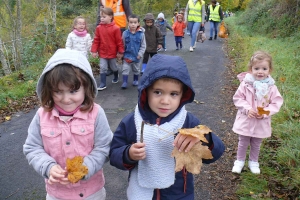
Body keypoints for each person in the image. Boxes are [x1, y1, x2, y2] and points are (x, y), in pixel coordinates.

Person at [109, 54, 225, 199]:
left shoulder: (188, 122)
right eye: (158, 92)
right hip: (143, 193)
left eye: (173, 94)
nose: (165, 101)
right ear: (146, 91)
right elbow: (114, 153)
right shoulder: (132, 122)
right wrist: (128, 154)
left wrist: (203, 138)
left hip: (179, 194)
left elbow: (216, 154)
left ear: (182, 95)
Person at [23, 49, 113, 200]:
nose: (66, 99)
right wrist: (48, 167)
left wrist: (85, 168)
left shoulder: (96, 113)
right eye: (58, 91)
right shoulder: (41, 115)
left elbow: (105, 147)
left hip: (91, 192)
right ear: (49, 90)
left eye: (73, 91)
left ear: (87, 87)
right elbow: (32, 148)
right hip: (57, 194)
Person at [231, 51, 283, 174]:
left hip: (261, 121)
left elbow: (276, 102)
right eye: (257, 68)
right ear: (250, 69)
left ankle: (253, 161)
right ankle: (239, 161)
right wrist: (247, 109)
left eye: (264, 68)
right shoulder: (245, 84)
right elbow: (238, 98)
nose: (260, 71)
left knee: (256, 143)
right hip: (246, 119)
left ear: (269, 70)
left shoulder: (271, 88)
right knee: (243, 141)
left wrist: (264, 112)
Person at [91, 7, 124, 91]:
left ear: (110, 16)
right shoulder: (99, 28)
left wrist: (120, 51)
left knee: (113, 67)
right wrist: (94, 50)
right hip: (102, 52)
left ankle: (116, 75)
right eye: (101, 17)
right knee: (103, 67)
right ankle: (103, 83)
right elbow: (96, 40)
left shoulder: (116, 28)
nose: (101, 18)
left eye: (104, 17)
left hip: (112, 53)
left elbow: (119, 41)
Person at [96, 0, 133, 76]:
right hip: (106, 26)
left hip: (120, 25)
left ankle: (125, 65)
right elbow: (100, 13)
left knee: (122, 46)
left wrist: (132, 23)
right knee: (108, 46)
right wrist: (98, 25)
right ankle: (111, 68)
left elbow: (128, 10)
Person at [121, 14, 146, 89]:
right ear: (128, 23)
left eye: (135, 22)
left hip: (136, 56)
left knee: (136, 70)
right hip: (127, 56)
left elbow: (143, 46)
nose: (133, 24)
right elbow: (122, 44)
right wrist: (121, 53)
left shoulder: (141, 34)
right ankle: (125, 82)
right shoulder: (125, 33)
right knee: (125, 69)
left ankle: (135, 80)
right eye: (131, 22)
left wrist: (140, 54)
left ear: (138, 23)